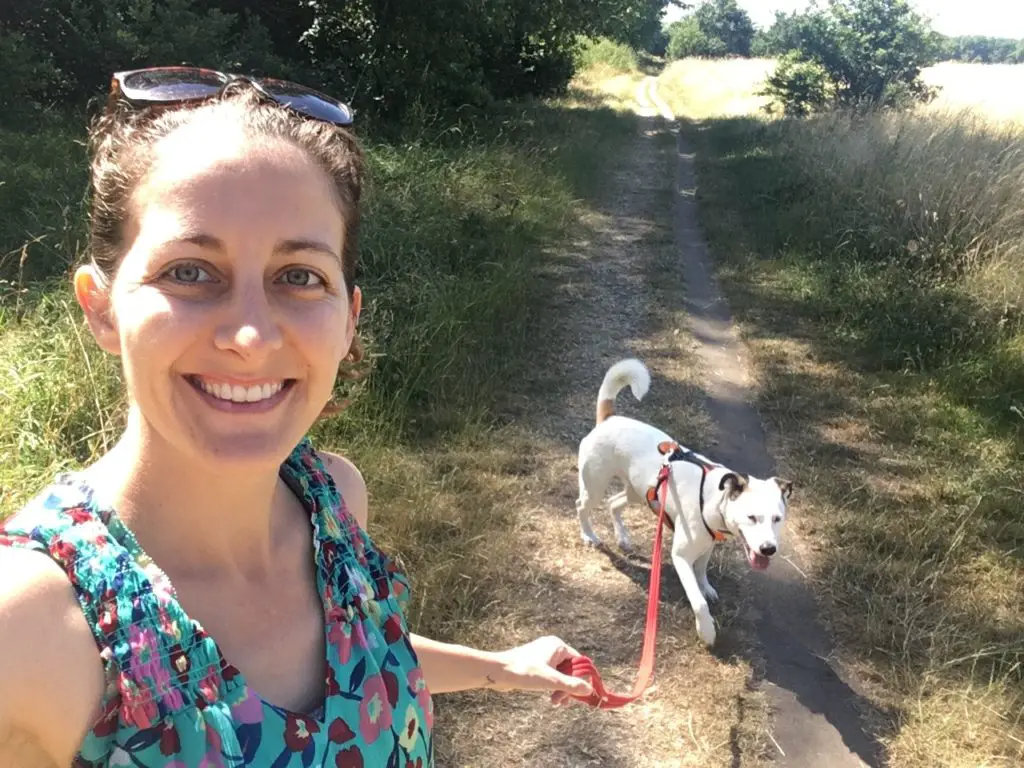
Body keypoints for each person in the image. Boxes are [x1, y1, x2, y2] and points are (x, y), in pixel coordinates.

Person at [0, 68, 592, 768]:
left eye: (299, 277)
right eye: (190, 271)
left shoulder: (333, 500)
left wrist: (501, 667)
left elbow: (360, 660)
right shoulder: (35, 625)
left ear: (348, 320)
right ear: (101, 307)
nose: (250, 336)